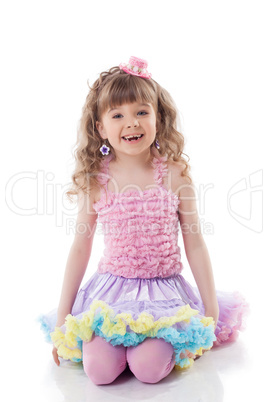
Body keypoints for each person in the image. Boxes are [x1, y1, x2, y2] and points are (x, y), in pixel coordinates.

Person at [38, 56, 250, 385]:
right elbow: (81, 246)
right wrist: (63, 318)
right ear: (101, 128)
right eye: (118, 115)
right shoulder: (98, 179)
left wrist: (211, 310)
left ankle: (145, 351)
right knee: (99, 372)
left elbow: (195, 243)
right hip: (112, 292)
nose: (132, 123)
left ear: (157, 117)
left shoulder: (175, 175)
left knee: (149, 370)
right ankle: (117, 351)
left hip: (163, 293)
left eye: (141, 112)